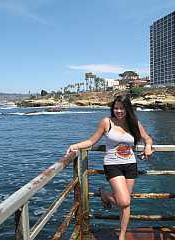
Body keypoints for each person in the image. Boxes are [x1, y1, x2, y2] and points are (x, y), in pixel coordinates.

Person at [67, 94, 153, 240]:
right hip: (113, 165)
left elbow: (147, 138)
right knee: (124, 201)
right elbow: (91, 141)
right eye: (116, 108)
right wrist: (74, 146)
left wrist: (148, 147)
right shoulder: (107, 122)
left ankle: (122, 236)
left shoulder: (134, 122)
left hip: (131, 164)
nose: (118, 111)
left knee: (126, 204)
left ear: (128, 109)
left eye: (122, 108)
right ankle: (104, 194)